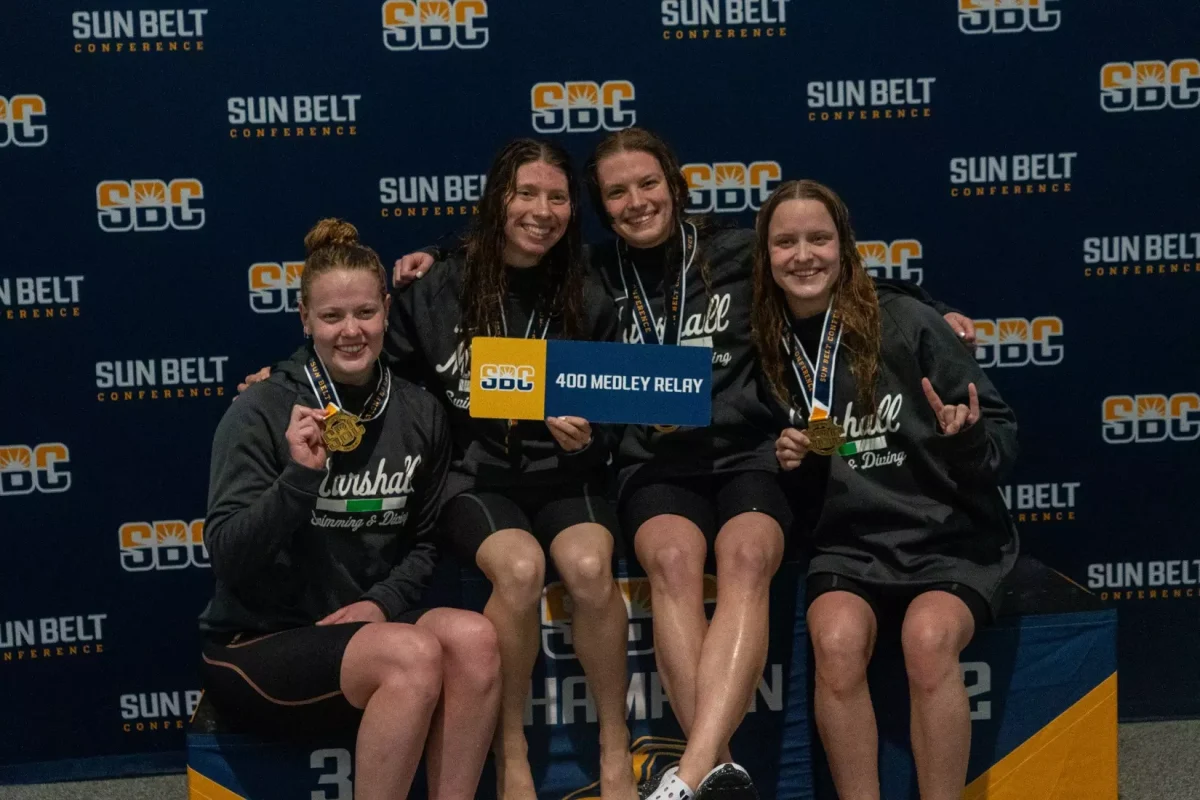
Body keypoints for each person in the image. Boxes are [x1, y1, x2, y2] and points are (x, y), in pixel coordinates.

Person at [390, 126, 978, 800]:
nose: (636, 202)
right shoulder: (593, 271)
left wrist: (934, 308)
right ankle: (719, 765)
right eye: (617, 193)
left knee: (748, 557)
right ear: (601, 209)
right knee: (671, 560)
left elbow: (829, 272)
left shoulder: (735, 250)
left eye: (648, 184)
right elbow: (496, 258)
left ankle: (693, 772)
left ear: (675, 185)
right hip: (654, 465)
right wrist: (429, 257)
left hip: (747, 455)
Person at [199, 219, 501, 800]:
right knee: (411, 655)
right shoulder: (261, 409)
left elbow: (427, 541)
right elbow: (229, 559)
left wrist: (379, 601)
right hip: (258, 648)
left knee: (475, 638)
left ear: (387, 310)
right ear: (305, 319)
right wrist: (298, 479)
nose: (351, 331)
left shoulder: (419, 411)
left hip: (365, 636)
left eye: (364, 313)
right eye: (332, 317)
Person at [751, 179, 1019, 800]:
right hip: (851, 545)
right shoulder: (768, 346)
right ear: (765, 258)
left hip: (948, 537)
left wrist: (965, 437)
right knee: (837, 644)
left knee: (927, 643)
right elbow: (830, 449)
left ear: (844, 247)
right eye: (785, 242)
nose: (803, 255)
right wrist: (800, 456)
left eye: (819, 238)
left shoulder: (908, 321)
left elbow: (1001, 436)